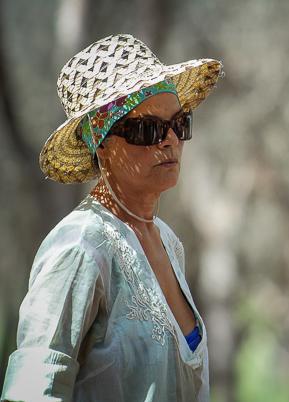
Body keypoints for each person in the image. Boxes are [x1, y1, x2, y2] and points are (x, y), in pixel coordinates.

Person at [0, 33, 223, 402]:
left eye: (179, 124)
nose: (169, 140)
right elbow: (32, 391)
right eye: (147, 129)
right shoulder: (79, 247)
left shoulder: (168, 241)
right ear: (101, 143)